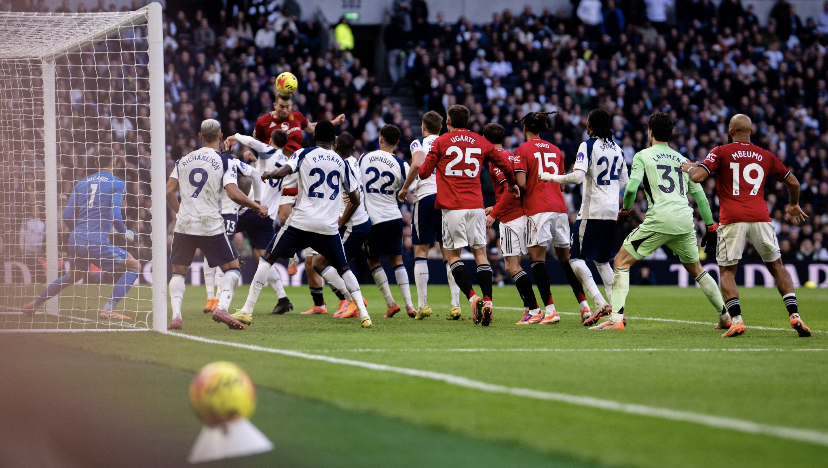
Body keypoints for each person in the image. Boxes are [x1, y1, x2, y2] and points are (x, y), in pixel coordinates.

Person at [590, 112, 728, 332]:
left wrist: (626, 210)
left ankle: (616, 319)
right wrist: (711, 227)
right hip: (684, 220)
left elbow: (631, 189)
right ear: (670, 134)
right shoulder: (683, 160)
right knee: (696, 269)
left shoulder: (643, 156)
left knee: (621, 261)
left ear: (650, 131)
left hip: (661, 219)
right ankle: (725, 316)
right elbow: (701, 198)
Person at [681, 114, 811, 338]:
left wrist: (690, 168)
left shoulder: (721, 151)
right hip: (761, 217)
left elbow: (698, 177)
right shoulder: (766, 155)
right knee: (777, 266)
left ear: (730, 131)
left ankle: (737, 321)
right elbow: (794, 182)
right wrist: (793, 204)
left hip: (732, 218)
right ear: (751, 131)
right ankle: (795, 314)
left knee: (727, 270)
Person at [233, 121, 373, 328]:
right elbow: (355, 198)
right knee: (344, 268)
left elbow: (284, 170)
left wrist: (270, 174)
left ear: (315, 137)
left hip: (301, 222)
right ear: (333, 140)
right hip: (328, 227)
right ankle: (364, 314)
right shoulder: (341, 162)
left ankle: (247, 310)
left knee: (267, 258)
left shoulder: (304, 153)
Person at [418, 104, 518, 326]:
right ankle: (489, 301)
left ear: (448, 121)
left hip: (453, 207)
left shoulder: (441, 141)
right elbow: (503, 162)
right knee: (480, 254)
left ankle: (473, 298)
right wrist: (512, 183)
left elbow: (423, 172)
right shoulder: (480, 141)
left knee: (453, 256)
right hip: (476, 206)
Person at [165, 119, 268, 331]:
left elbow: (168, 192)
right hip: (210, 223)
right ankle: (221, 307)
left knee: (178, 273)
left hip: (184, 224)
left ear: (200, 136)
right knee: (233, 268)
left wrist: (180, 212)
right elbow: (233, 193)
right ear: (221, 137)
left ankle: (176, 317)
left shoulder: (183, 160)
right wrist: (256, 206)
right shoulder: (224, 161)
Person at [25, 148, 140, 322]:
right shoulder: (117, 183)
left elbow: (66, 215)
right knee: (134, 265)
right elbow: (115, 215)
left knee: (74, 276)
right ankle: (108, 309)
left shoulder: (81, 183)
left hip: (76, 238)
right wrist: (124, 233)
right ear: (114, 162)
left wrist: (79, 234)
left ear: (95, 162)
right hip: (94, 240)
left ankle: (34, 304)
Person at [541, 109, 628, 326]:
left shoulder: (587, 145)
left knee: (575, 258)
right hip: (611, 211)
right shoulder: (618, 149)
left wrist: (551, 177)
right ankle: (618, 311)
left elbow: (578, 177)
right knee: (602, 261)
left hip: (592, 211)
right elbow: (625, 182)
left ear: (591, 125)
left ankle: (599, 302)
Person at [514, 111, 590, 324]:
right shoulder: (556, 150)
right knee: (566, 260)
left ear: (524, 128)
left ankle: (550, 310)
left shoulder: (522, 149)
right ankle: (584, 307)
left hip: (538, 208)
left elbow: (521, 183)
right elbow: (563, 185)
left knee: (537, 260)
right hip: (559, 208)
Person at [398, 110, 462, 320]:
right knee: (450, 252)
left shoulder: (418, 143)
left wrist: (405, 188)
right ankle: (455, 305)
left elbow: (417, 164)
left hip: (426, 197)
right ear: (441, 127)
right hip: (448, 199)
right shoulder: (448, 142)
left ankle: (422, 305)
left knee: (421, 250)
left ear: (423, 127)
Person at [224, 129, 296, 315]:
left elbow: (251, 141)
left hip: (255, 209)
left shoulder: (269, 151)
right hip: (268, 217)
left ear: (271, 140)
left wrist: (234, 136)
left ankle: (231, 262)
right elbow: (268, 175)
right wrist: (256, 161)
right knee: (262, 258)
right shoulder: (285, 162)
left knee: (221, 230)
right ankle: (282, 298)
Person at [481, 123, 544, 325]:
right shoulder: (511, 155)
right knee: (516, 265)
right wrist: (494, 206)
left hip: (510, 218)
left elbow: (511, 189)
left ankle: (534, 309)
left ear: (485, 140)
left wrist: (494, 214)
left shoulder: (496, 161)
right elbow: (515, 191)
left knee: (511, 266)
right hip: (522, 214)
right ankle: (529, 309)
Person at [360, 124, 415, 318]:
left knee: (373, 261)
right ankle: (409, 304)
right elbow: (410, 188)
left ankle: (391, 303)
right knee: (397, 260)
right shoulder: (402, 164)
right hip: (394, 217)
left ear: (380, 139)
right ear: (397, 142)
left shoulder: (364, 158)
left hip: (373, 219)